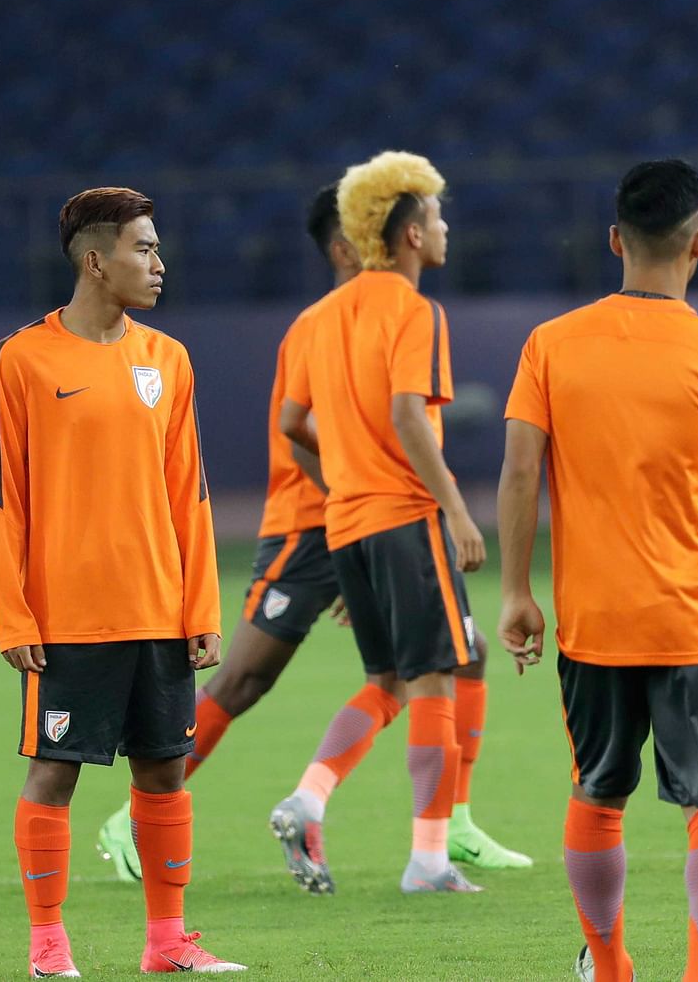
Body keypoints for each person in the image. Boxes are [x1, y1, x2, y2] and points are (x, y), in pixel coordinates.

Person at [496, 159, 698, 982]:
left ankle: (610, 965)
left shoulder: (550, 345)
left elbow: (520, 473)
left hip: (593, 623)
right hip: (692, 622)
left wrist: (517, 591)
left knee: (598, 791)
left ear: (614, 239)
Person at [94, 185, 396, 890]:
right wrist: (363, 529)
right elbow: (312, 436)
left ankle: (422, 833)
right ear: (346, 245)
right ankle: (132, 816)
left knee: (430, 664)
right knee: (242, 680)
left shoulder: (391, 319)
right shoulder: (323, 326)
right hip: (310, 526)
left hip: (359, 526)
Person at [0, 187, 244, 975]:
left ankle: (168, 944)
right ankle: (47, 948)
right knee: (54, 771)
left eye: (158, 247)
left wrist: (200, 603)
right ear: (96, 261)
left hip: (159, 608)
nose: (159, 263)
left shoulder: (168, 359)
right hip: (68, 617)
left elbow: (189, 494)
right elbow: (5, 498)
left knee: (164, 769)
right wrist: (15, 617)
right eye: (144, 248)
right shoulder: (23, 358)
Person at [276, 150, 525, 894]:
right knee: (433, 681)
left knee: (385, 678)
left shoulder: (319, 316)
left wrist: (348, 467)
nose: (445, 226)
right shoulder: (415, 311)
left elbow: (293, 420)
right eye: (437, 215)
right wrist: (455, 509)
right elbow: (408, 416)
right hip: (406, 516)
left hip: (347, 524)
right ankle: (428, 858)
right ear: (412, 233)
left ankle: (309, 794)